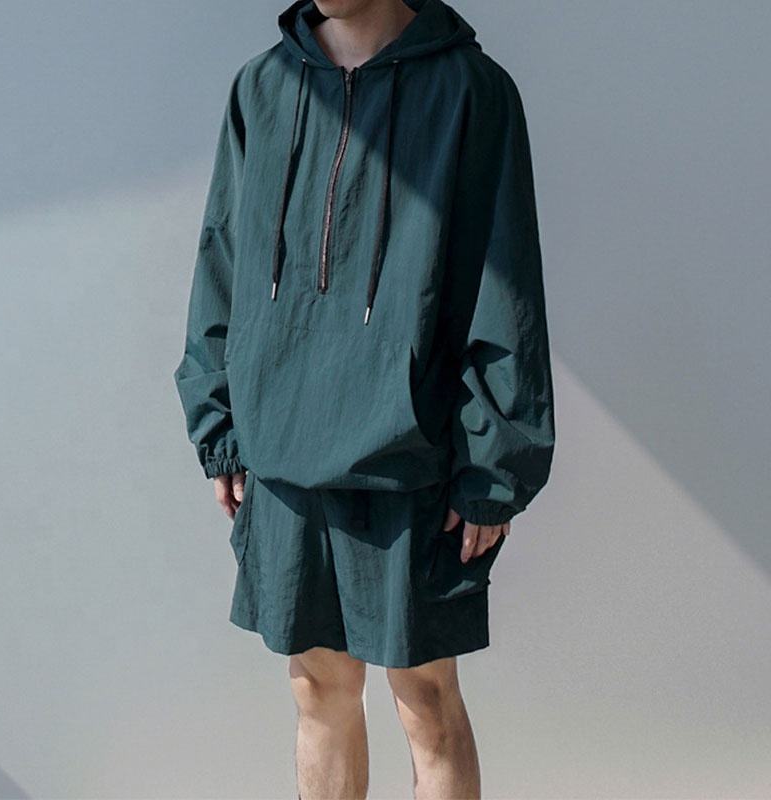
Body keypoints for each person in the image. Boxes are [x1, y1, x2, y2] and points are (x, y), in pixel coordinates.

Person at [173, 0, 555, 796]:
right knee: (318, 690)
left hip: (413, 448)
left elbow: (506, 278)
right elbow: (222, 257)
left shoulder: (472, 91)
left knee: (426, 700)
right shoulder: (262, 88)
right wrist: (220, 424)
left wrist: (497, 465)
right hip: (283, 448)